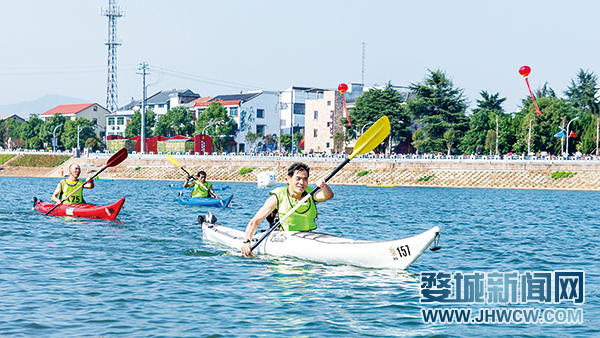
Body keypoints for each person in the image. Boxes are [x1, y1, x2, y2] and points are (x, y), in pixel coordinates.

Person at [241, 162, 334, 255]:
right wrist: (247, 241)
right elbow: (255, 221)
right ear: (288, 179)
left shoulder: (311, 193)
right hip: (282, 238)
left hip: (306, 237)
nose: (301, 183)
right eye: (298, 178)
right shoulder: (277, 197)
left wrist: (324, 186)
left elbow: (328, 196)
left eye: (305, 179)